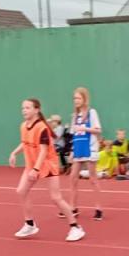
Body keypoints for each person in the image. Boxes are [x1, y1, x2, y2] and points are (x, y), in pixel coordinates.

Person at [10, 98, 85, 242]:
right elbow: (25, 143)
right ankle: (30, 224)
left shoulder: (42, 127)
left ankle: (76, 227)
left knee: (56, 198)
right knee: (21, 191)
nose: (24, 110)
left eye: (27, 108)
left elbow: (44, 151)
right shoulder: (23, 126)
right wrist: (14, 153)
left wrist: (36, 169)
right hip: (32, 164)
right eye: (23, 108)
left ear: (36, 110)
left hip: (47, 164)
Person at [67, 87, 104, 221]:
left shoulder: (91, 113)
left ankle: (98, 208)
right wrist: (72, 151)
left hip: (89, 148)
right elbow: (74, 134)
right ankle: (73, 207)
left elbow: (98, 130)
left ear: (84, 99)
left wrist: (85, 128)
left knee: (93, 179)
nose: (76, 100)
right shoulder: (74, 116)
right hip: (78, 149)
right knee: (72, 178)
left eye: (78, 98)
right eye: (74, 98)